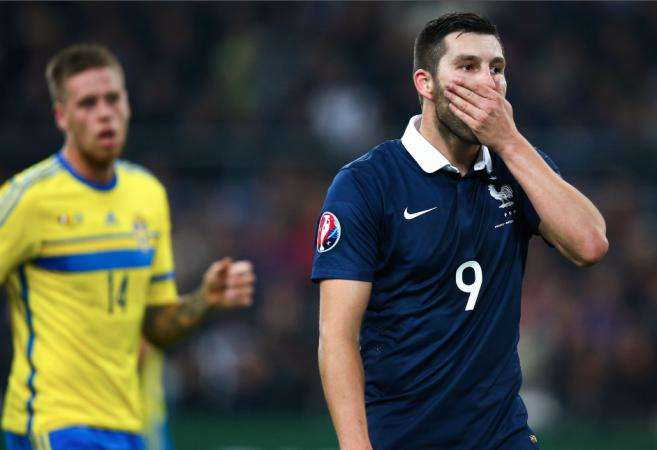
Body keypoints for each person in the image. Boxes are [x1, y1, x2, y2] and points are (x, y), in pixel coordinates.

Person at [312, 12, 607, 450]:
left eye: (497, 69)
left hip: (500, 436)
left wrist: (509, 142)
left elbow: (590, 244)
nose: (487, 82)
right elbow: (336, 336)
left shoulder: (518, 165)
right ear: (425, 84)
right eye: (467, 67)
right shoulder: (366, 184)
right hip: (402, 436)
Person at [0, 44, 256, 450]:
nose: (104, 112)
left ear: (128, 106)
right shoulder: (29, 199)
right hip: (51, 424)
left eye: (112, 99)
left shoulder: (147, 194)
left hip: (126, 426)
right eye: (87, 103)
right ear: (61, 117)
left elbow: (155, 327)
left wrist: (204, 299)